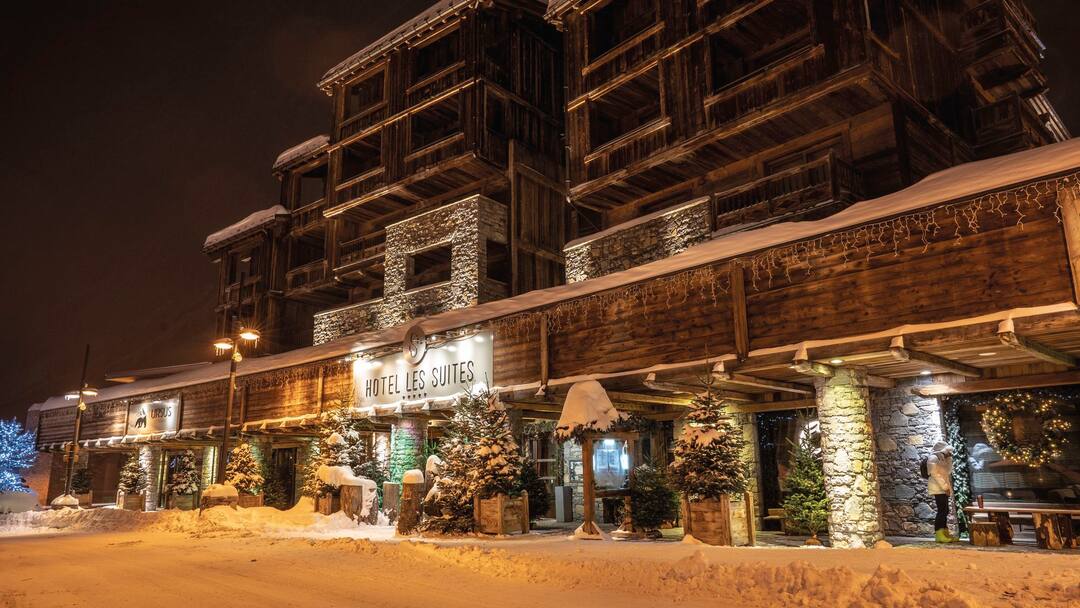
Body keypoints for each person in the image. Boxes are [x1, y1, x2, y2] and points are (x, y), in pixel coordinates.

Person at [927, 441, 957, 543]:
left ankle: (944, 532)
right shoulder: (933, 458)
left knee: (945, 510)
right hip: (937, 488)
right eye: (948, 451)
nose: (949, 453)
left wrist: (949, 460)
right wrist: (945, 487)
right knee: (942, 511)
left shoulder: (942, 459)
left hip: (942, 488)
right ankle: (939, 534)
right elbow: (934, 474)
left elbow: (948, 471)